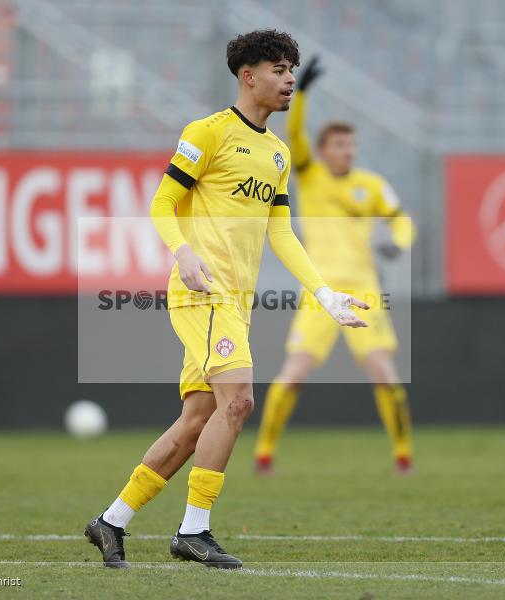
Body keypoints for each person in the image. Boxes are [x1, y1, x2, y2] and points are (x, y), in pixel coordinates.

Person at [85, 31, 369, 570]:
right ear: (249, 76)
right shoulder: (208, 133)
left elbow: (280, 234)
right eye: (280, 69)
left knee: (198, 420)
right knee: (238, 401)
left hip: (236, 302)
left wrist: (325, 293)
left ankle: (111, 521)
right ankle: (194, 531)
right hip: (202, 292)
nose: (289, 80)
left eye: (293, 70)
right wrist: (183, 254)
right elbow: (163, 204)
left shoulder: (278, 154)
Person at [253, 56, 417, 476]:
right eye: (340, 145)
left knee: (386, 376)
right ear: (324, 151)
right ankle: (264, 451)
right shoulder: (309, 175)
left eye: (352, 145)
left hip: (364, 291)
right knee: (292, 375)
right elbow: (295, 134)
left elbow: (401, 220)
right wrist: (301, 94)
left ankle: (403, 455)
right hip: (321, 293)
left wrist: (399, 242)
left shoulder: (371, 185)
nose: (349, 152)